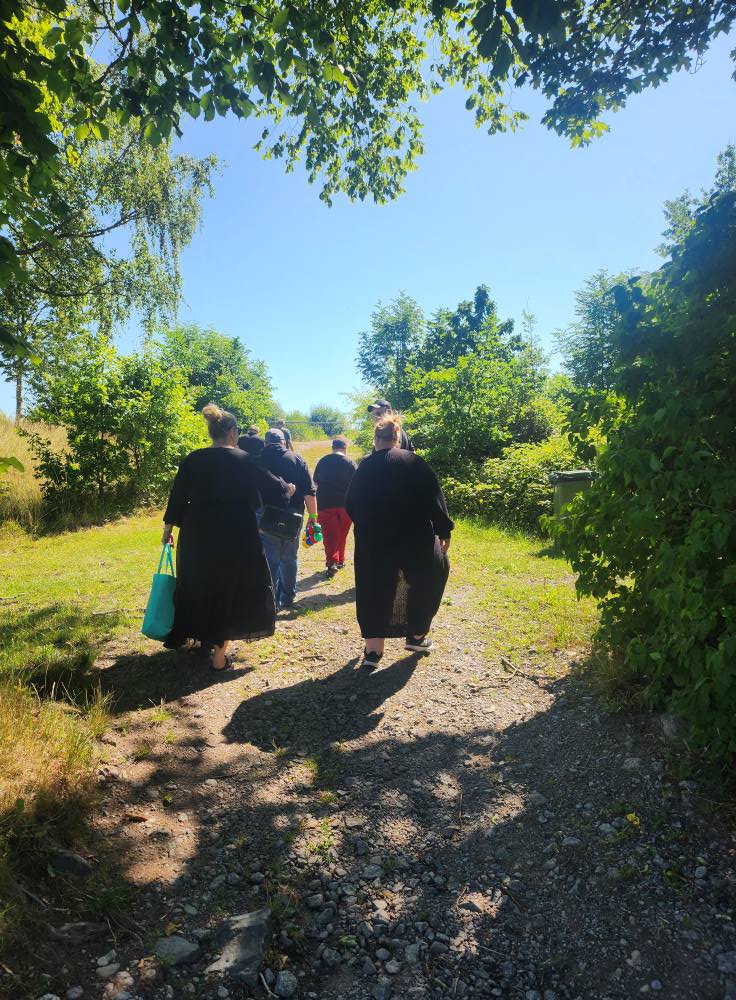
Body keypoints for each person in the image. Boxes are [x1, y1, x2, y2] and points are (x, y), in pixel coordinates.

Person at [161, 404, 295, 671]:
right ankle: (219, 659)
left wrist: (168, 530)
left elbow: (177, 497)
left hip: (197, 532)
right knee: (230, 587)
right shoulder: (245, 459)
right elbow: (275, 488)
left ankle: (203, 642)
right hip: (235, 533)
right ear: (232, 431)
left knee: (200, 583)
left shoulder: (193, 459)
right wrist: (289, 488)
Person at [346, 416, 453, 669]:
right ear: (397, 438)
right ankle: (416, 636)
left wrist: (370, 526)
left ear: (376, 439)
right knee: (430, 576)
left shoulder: (364, 467)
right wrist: (443, 530)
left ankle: (373, 651)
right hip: (414, 537)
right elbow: (434, 499)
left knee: (373, 586)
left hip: (374, 541)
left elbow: (350, 505)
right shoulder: (414, 462)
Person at [259, 428, 317, 607]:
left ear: (265, 443)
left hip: (265, 515)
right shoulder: (297, 459)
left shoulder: (257, 460)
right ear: (284, 442)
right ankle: (288, 597)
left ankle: (271, 601)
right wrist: (313, 516)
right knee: (289, 558)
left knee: (270, 559)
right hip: (293, 515)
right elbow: (309, 491)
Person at [314, 436, 357, 577]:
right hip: (346, 505)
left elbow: (315, 482)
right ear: (345, 448)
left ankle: (332, 562)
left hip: (325, 504)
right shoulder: (350, 463)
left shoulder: (323, 461)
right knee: (342, 534)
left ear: (332, 448)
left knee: (329, 536)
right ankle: (341, 560)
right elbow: (357, 484)